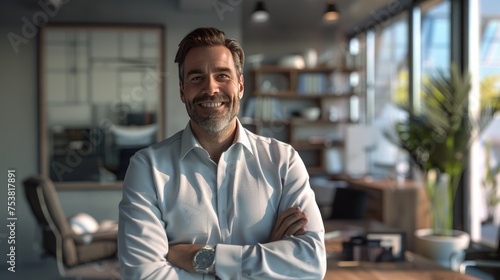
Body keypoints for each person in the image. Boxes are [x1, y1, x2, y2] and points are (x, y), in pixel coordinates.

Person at [118, 27, 326, 280]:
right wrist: (267, 258)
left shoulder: (283, 161)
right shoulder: (147, 168)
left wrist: (201, 258)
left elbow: (311, 263)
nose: (211, 88)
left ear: (240, 86)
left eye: (222, 75)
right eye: (196, 78)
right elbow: (144, 275)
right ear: (182, 91)